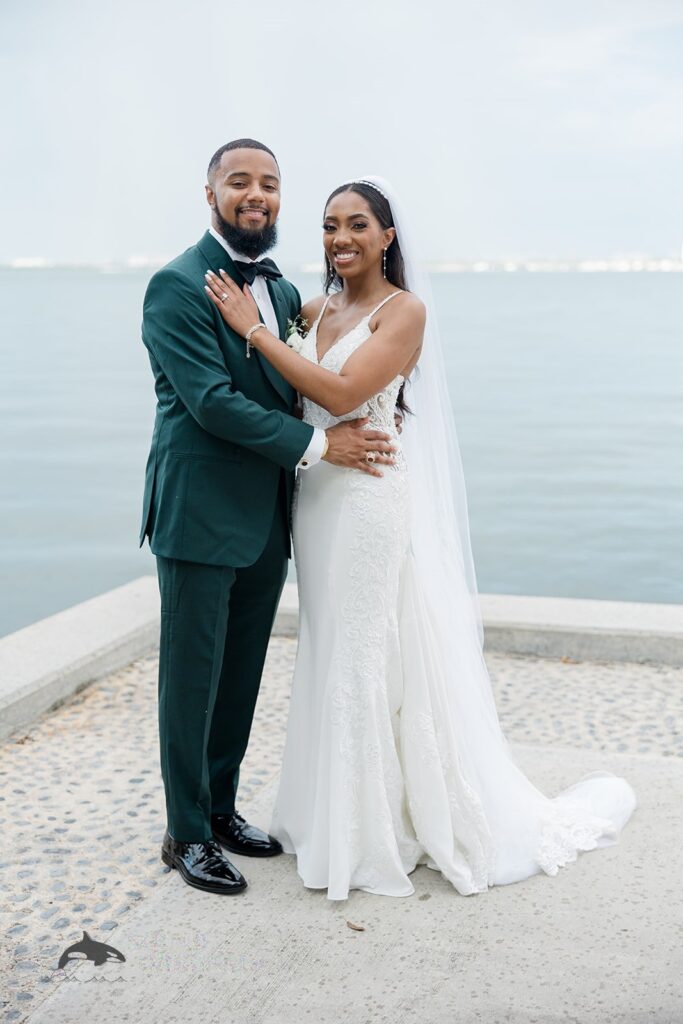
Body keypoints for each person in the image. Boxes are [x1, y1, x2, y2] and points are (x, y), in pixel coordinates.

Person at [206, 175, 637, 900]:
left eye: (356, 225)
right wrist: (253, 321)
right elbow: (292, 387)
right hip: (314, 501)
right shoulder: (316, 309)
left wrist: (251, 328)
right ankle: (327, 816)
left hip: (369, 504)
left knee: (364, 652)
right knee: (329, 645)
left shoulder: (403, 311)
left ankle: (368, 834)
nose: (340, 238)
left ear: (386, 236)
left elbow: (341, 395)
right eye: (328, 225)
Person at [139, 141, 397, 896]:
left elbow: (310, 372)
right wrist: (321, 446)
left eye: (271, 185)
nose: (257, 196)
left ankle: (220, 810)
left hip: (268, 514)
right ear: (211, 192)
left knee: (241, 674)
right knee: (191, 678)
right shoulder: (175, 286)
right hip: (198, 513)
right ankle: (184, 834)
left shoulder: (282, 293)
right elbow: (211, 402)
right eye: (240, 182)